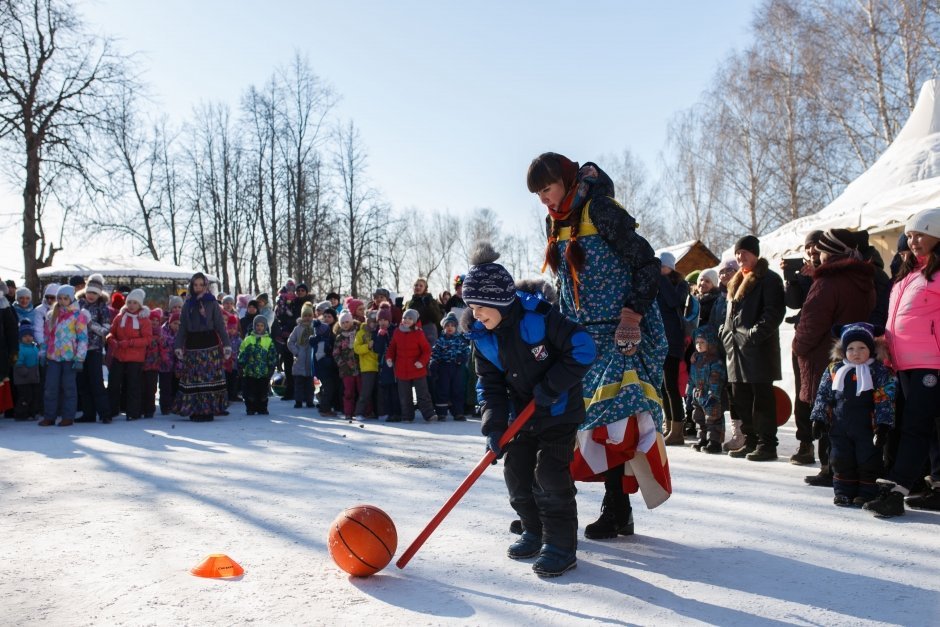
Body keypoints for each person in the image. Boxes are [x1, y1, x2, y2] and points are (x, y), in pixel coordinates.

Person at [527, 152, 668, 543]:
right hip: (582, 334)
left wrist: (631, 316)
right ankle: (560, 507)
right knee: (585, 422)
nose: (544, 199)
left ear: (566, 181)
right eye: (537, 194)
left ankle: (617, 509)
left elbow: (646, 264)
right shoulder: (553, 222)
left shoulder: (601, 210)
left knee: (614, 419)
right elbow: (568, 286)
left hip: (622, 331)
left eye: (547, 189)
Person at [465, 243, 595, 577]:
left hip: (559, 411)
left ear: (499, 300)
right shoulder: (482, 337)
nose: (475, 314)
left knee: (550, 475)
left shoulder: (539, 317)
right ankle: (533, 529)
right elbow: (489, 386)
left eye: (479, 307)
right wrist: (493, 427)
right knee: (517, 473)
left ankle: (561, 546)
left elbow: (583, 348)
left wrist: (551, 386)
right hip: (521, 415)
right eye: (471, 308)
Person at [864, 208, 940, 518]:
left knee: (915, 427)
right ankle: (937, 488)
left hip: (931, 363)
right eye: (909, 235)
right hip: (905, 363)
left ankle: (896, 491)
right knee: (931, 428)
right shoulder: (907, 274)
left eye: (920, 234)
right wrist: (886, 341)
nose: (913, 240)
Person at [793, 229, 875, 476]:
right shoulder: (864, 280)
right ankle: (846, 468)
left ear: (831, 252)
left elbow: (812, 322)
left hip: (825, 358)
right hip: (857, 356)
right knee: (849, 414)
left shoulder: (827, 281)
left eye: (822, 250)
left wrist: (798, 345)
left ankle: (831, 468)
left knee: (827, 413)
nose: (818, 255)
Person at [810, 323, 895, 507]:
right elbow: (823, 394)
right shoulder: (835, 369)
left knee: (868, 460)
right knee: (840, 459)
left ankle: (866, 493)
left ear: (871, 349)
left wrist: (883, 425)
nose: (856, 352)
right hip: (839, 425)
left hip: (867, 426)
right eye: (851, 348)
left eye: (862, 348)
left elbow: (885, 398)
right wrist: (819, 418)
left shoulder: (878, 371)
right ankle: (843, 492)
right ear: (843, 350)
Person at [720, 235, 786, 461]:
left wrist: (753, 335)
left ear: (755, 254)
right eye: (738, 253)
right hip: (735, 351)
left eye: (745, 252)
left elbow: (774, 312)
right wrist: (725, 332)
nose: (740, 257)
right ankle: (750, 441)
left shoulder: (769, 279)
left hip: (758, 350)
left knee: (762, 399)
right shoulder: (736, 280)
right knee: (741, 398)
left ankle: (767, 444)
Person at [782, 230, 824, 469]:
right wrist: (792, 278)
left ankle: (828, 448)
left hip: (824, 342)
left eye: (816, 246)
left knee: (824, 393)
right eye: (808, 247)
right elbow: (793, 302)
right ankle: (805, 443)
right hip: (803, 339)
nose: (811, 251)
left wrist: (817, 275)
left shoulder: (831, 270)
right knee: (802, 393)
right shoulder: (805, 273)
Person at [174, 273, 230, 422]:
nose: (198, 288)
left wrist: (227, 344)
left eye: (201, 285)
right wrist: (178, 345)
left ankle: (209, 410)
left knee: (209, 378)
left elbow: (220, 325)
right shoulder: (187, 304)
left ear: (206, 286)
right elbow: (182, 328)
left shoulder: (212, 303)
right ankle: (195, 409)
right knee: (194, 379)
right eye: (195, 285)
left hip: (210, 344)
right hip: (193, 345)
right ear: (191, 286)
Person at [39, 285, 87, 427]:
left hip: (70, 357)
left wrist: (79, 358)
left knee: (69, 388)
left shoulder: (78, 316)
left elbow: (83, 338)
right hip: (53, 356)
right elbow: (47, 336)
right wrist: (43, 352)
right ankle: (49, 416)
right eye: (59, 298)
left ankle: (68, 416)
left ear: (71, 298)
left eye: (65, 298)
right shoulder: (52, 315)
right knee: (50, 387)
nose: (62, 301)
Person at [657, 252, 691, 446]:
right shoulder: (658, 284)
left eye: (662, 266)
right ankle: (669, 424)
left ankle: (677, 429)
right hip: (660, 340)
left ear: (670, 267)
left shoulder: (680, 285)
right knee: (663, 387)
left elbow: (674, 301)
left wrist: (662, 280)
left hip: (673, 340)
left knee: (671, 385)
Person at [386, 308, 438, 423]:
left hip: (417, 369)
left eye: (410, 318)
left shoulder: (418, 333)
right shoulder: (397, 332)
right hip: (401, 370)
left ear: (414, 321)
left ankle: (429, 414)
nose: (406, 320)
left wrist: (422, 362)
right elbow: (392, 347)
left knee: (423, 394)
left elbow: (426, 350)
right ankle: (407, 416)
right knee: (405, 396)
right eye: (405, 317)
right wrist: (389, 358)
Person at [108, 289, 152, 422]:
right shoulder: (120, 317)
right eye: (130, 302)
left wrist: (131, 343)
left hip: (135, 357)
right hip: (119, 355)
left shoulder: (144, 320)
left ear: (140, 305)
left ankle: (133, 412)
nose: (132, 305)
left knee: (134, 385)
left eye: (135, 303)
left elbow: (147, 339)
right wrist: (111, 340)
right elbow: (111, 333)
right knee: (114, 383)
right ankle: (111, 409)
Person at [76, 274, 111, 423]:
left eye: (95, 293)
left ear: (99, 294)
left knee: (96, 382)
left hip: (95, 349)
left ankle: (105, 413)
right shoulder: (77, 304)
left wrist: (90, 324)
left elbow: (106, 330)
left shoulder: (102, 308)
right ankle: (88, 413)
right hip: (78, 350)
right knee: (82, 382)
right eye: (89, 292)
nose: (91, 295)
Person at [685, 326, 726, 453]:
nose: (699, 345)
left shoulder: (715, 362)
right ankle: (703, 439)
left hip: (710, 396)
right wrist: (689, 391)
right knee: (698, 418)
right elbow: (692, 378)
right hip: (698, 394)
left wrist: (714, 394)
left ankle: (714, 441)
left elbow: (716, 379)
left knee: (712, 418)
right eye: (697, 342)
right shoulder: (695, 359)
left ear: (710, 343)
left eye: (702, 342)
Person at [430, 311, 470, 420]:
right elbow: (435, 353)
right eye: (447, 326)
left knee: (457, 390)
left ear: (456, 327)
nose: (450, 328)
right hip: (444, 368)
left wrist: (462, 358)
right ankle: (441, 412)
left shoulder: (460, 339)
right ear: (443, 328)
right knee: (442, 390)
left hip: (457, 368)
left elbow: (466, 351)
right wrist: (434, 363)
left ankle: (458, 412)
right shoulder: (440, 341)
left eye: (452, 326)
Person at [239, 316, 278, 415]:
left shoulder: (268, 340)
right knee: (250, 391)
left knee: (263, 392)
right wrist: (241, 364)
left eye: (261, 325)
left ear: (265, 327)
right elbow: (243, 352)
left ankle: (262, 408)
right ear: (254, 326)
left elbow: (272, 354)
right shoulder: (248, 339)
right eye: (257, 325)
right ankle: (250, 408)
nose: (259, 328)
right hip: (250, 371)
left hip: (263, 371)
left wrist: (271, 366)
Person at [287, 301, 318, 409]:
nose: (307, 318)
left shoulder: (315, 327)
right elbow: (290, 342)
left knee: (310, 385)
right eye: (305, 316)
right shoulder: (297, 328)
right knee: (299, 384)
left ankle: (309, 400)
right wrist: (296, 352)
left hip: (310, 361)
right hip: (299, 360)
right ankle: (298, 401)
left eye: (309, 316)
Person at [372, 303, 399, 422]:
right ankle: (388, 412)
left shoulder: (395, 330)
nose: (383, 322)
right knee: (386, 390)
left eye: (385, 320)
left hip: (394, 364)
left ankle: (397, 412)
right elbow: (376, 349)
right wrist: (380, 337)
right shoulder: (377, 333)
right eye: (380, 320)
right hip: (383, 365)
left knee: (395, 389)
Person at [333, 311, 361, 419]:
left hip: (359, 367)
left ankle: (363, 411)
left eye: (347, 322)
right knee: (349, 392)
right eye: (343, 322)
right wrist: (342, 364)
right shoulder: (339, 337)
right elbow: (336, 353)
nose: (345, 324)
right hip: (346, 369)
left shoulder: (358, 333)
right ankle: (348, 412)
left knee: (361, 390)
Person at [353, 310, 380, 420]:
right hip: (367, 367)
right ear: (367, 321)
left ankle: (379, 412)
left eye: (376, 321)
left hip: (379, 365)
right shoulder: (361, 333)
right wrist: (367, 347)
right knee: (366, 391)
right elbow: (356, 348)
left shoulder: (380, 332)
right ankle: (359, 412)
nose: (374, 324)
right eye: (372, 321)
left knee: (379, 392)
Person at [13, 323, 41, 420]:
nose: (28, 338)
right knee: (25, 396)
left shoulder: (34, 347)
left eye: (30, 336)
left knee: (34, 396)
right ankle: (20, 414)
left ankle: (32, 413)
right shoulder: (19, 349)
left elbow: (37, 359)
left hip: (33, 377)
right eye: (25, 336)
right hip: (23, 379)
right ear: (20, 338)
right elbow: (17, 363)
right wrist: (25, 372)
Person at [141, 307, 164, 418]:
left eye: (157, 321)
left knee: (151, 388)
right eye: (152, 320)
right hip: (142, 364)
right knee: (141, 387)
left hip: (154, 366)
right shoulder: (143, 332)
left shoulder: (160, 335)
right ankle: (141, 408)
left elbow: (164, 350)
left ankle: (150, 409)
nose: (154, 322)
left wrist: (164, 359)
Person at [406, 278, 443, 346]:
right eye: (416, 285)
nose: (418, 287)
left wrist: (428, 305)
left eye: (421, 286)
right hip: (413, 332)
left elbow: (437, 318)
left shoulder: (431, 301)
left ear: (425, 288)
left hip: (428, 331)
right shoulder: (410, 303)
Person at [157, 312, 180, 415]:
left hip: (177, 364)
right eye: (175, 323)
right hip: (165, 364)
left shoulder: (182, 333)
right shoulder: (163, 331)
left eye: (180, 324)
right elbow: (162, 346)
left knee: (175, 385)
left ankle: (175, 405)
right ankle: (165, 406)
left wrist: (179, 366)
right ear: (170, 323)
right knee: (165, 386)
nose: (177, 326)